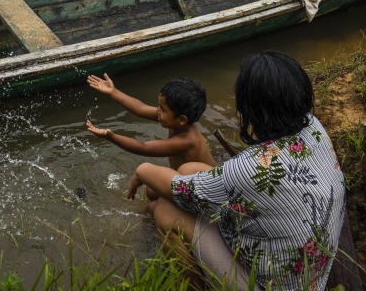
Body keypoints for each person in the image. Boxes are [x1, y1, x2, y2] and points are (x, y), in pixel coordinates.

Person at [125, 52, 345, 291]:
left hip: (272, 286)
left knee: (167, 210)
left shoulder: (249, 168)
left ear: (250, 108)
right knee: (189, 169)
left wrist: (142, 169)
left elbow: (178, 189)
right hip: (310, 270)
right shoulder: (312, 126)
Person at [85, 73, 215, 169]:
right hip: (185, 178)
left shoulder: (187, 141)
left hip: (205, 189)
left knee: (152, 194)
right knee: (153, 190)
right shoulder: (175, 120)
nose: (158, 110)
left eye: (163, 109)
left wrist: (111, 136)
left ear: (182, 119)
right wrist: (113, 92)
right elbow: (140, 108)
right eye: (159, 106)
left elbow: (143, 147)